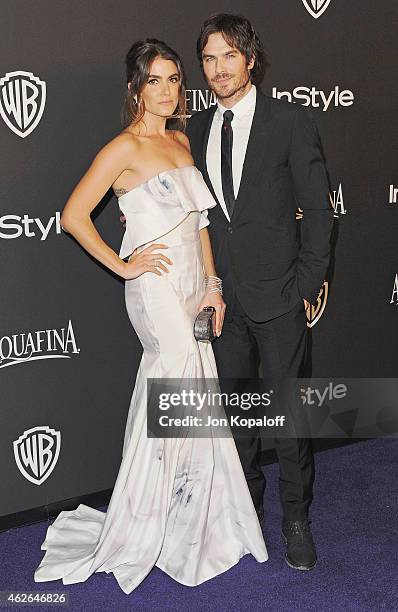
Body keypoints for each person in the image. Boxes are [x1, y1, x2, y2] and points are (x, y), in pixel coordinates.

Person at [33, 39, 267, 594]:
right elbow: (73, 216)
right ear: (135, 86)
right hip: (156, 287)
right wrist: (123, 265)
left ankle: (190, 513)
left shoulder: (183, 142)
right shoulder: (123, 148)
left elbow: (200, 224)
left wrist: (213, 286)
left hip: (193, 282)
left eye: (173, 79)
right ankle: (148, 520)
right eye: (155, 80)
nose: (167, 90)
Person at [183, 13, 334, 571]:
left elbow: (318, 211)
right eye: (208, 59)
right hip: (223, 303)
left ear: (250, 59)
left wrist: (307, 283)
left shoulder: (290, 122)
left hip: (280, 298)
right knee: (240, 415)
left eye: (228, 56)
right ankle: (247, 507)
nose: (218, 69)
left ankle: (296, 519)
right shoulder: (194, 129)